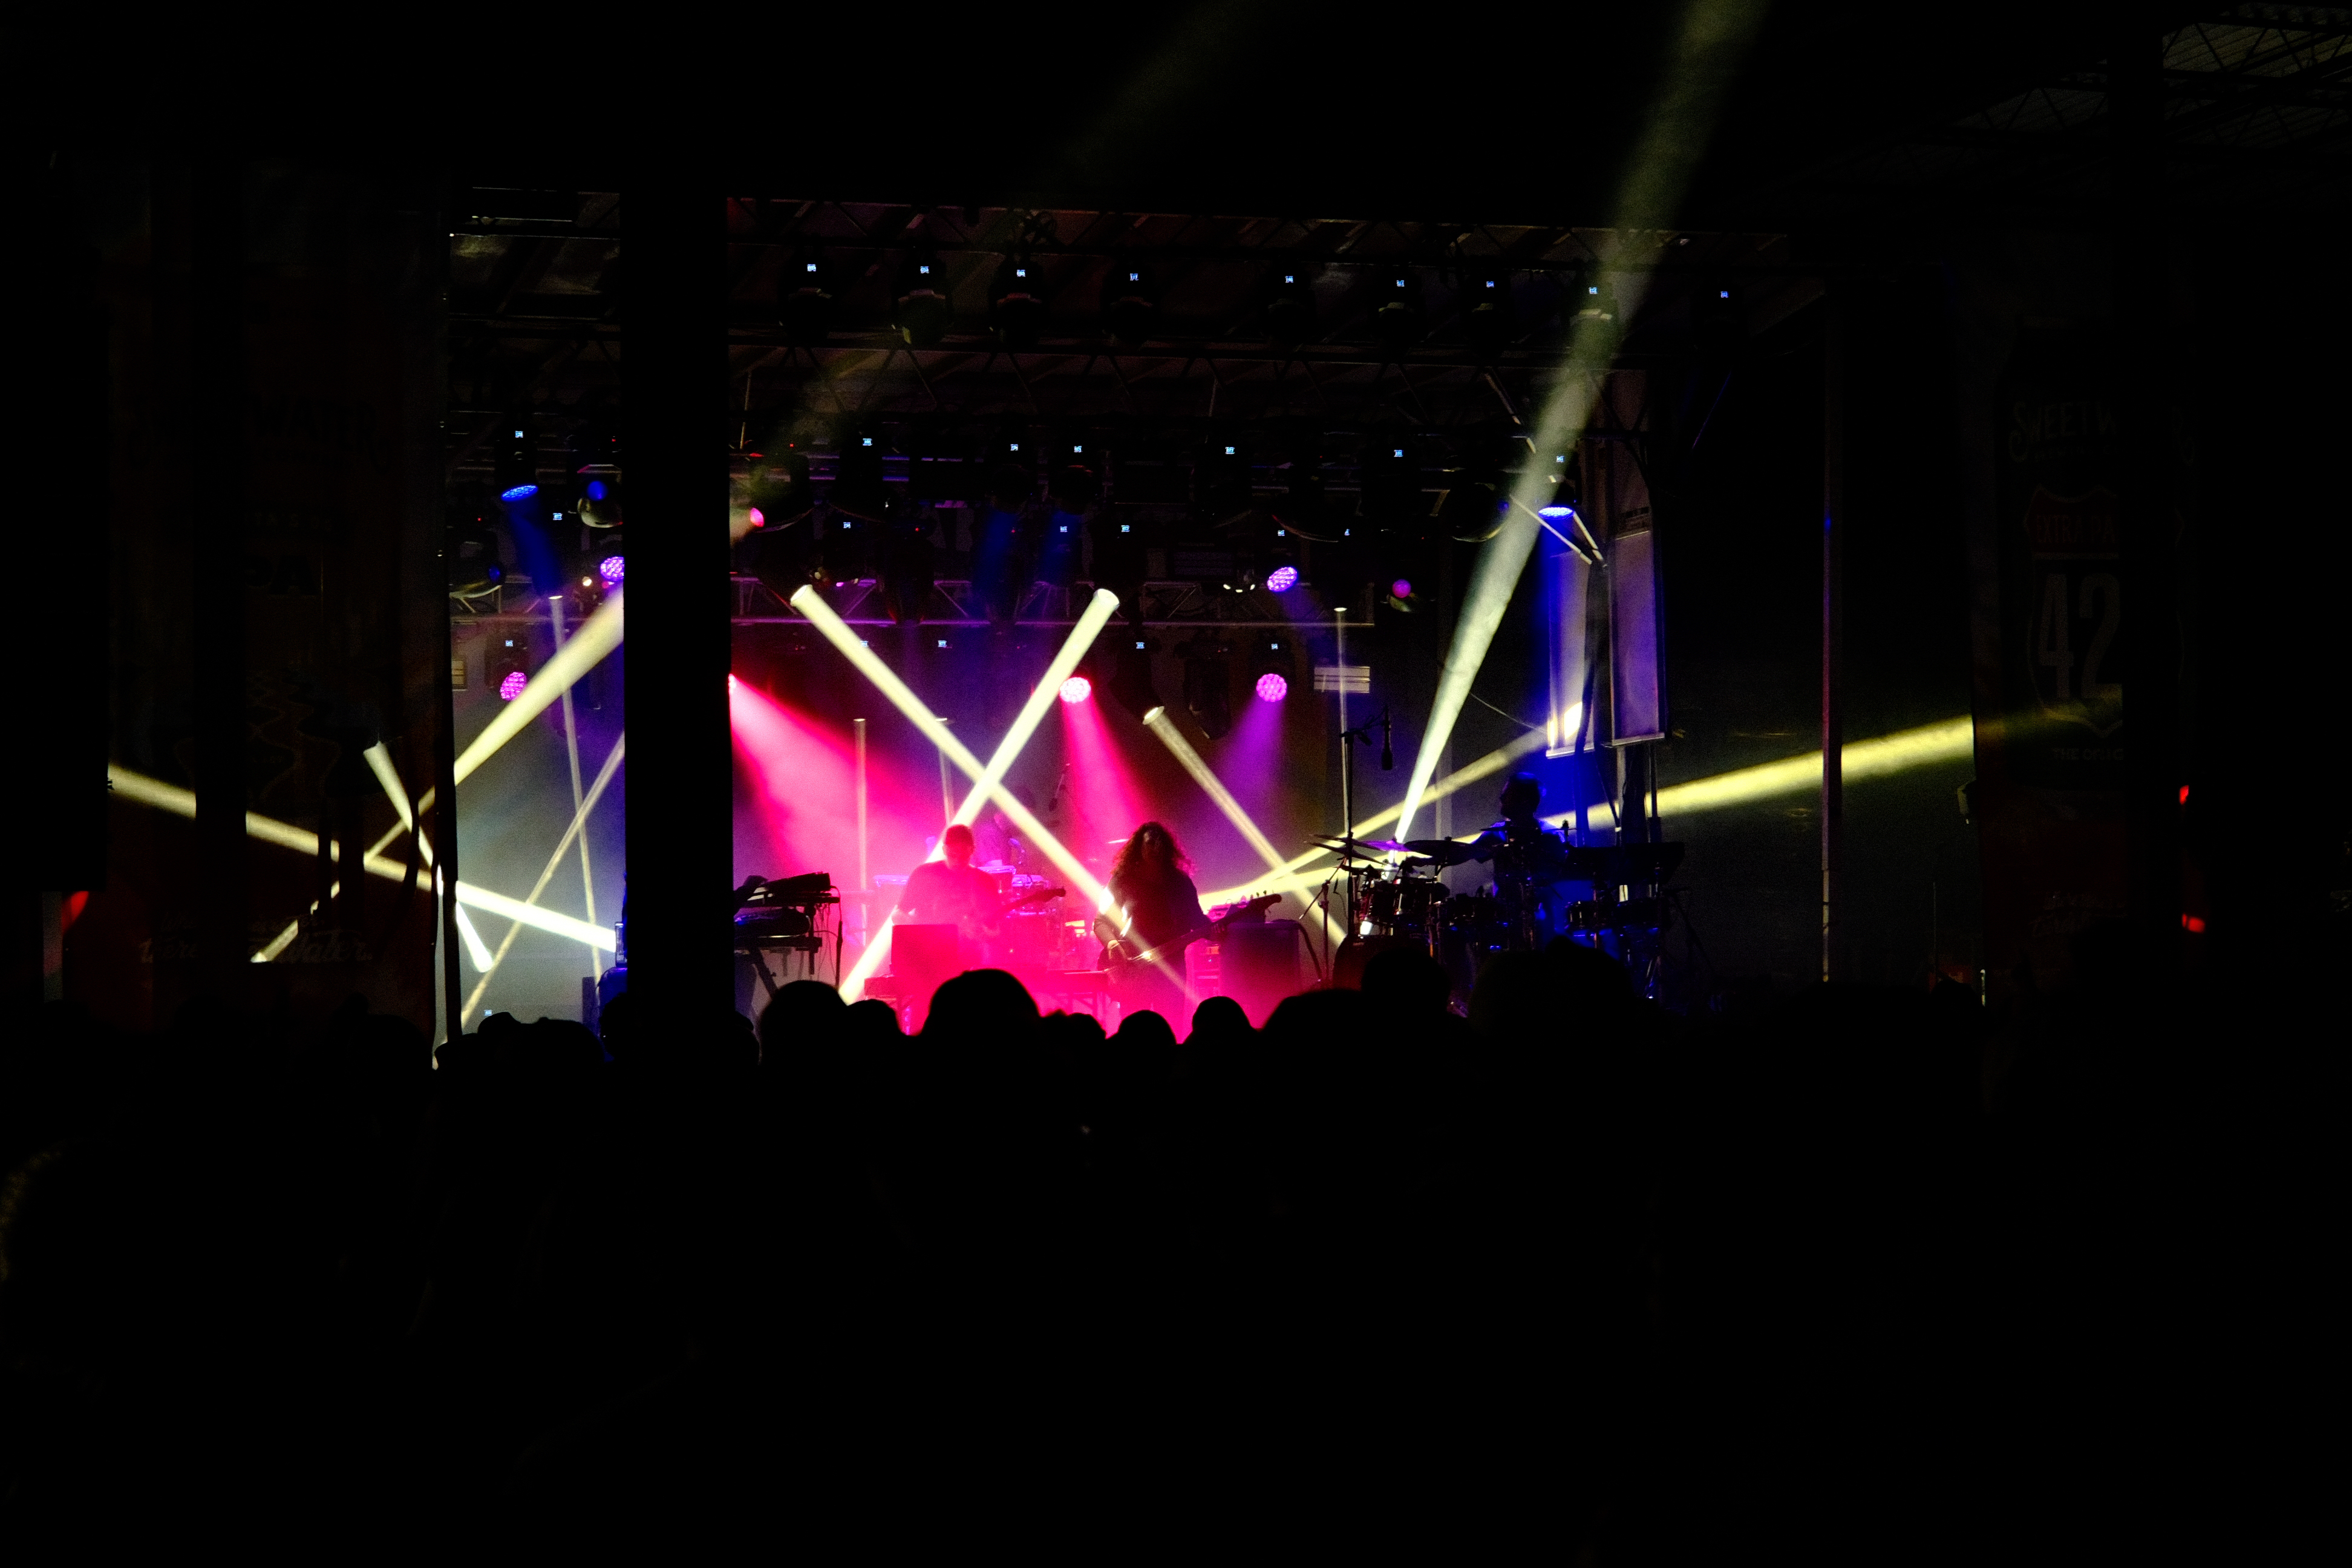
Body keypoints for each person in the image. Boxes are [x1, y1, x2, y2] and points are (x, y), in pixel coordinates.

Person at [1102, 822, 1210, 1021]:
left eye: (1161, 843)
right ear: (1140, 847)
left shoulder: (1181, 882)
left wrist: (1217, 931)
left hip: (1172, 968)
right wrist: (1112, 944)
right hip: (1135, 969)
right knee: (1135, 1029)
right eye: (1151, 843)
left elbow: (1196, 919)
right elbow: (1101, 921)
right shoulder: (1123, 880)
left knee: (1170, 1025)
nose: (1157, 848)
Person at [1468, 772, 1570, 950]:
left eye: (1508, 794)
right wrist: (1426, 856)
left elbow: (1565, 873)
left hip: (1542, 920)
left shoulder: (1550, 835)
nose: (1501, 798)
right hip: (1504, 920)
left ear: (1524, 801)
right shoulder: (1498, 833)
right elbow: (1464, 852)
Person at [894, 823, 1002, 947]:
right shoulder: (924, 874)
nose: (957, 861)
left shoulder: (984, 881)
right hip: (927, 949)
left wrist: (983, 934)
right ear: (944, 850)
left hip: (966, 953)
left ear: (972, 850)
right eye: (952, 855)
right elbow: (897, 914)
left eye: (963, 856)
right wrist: (919, 928)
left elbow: (996, 930)